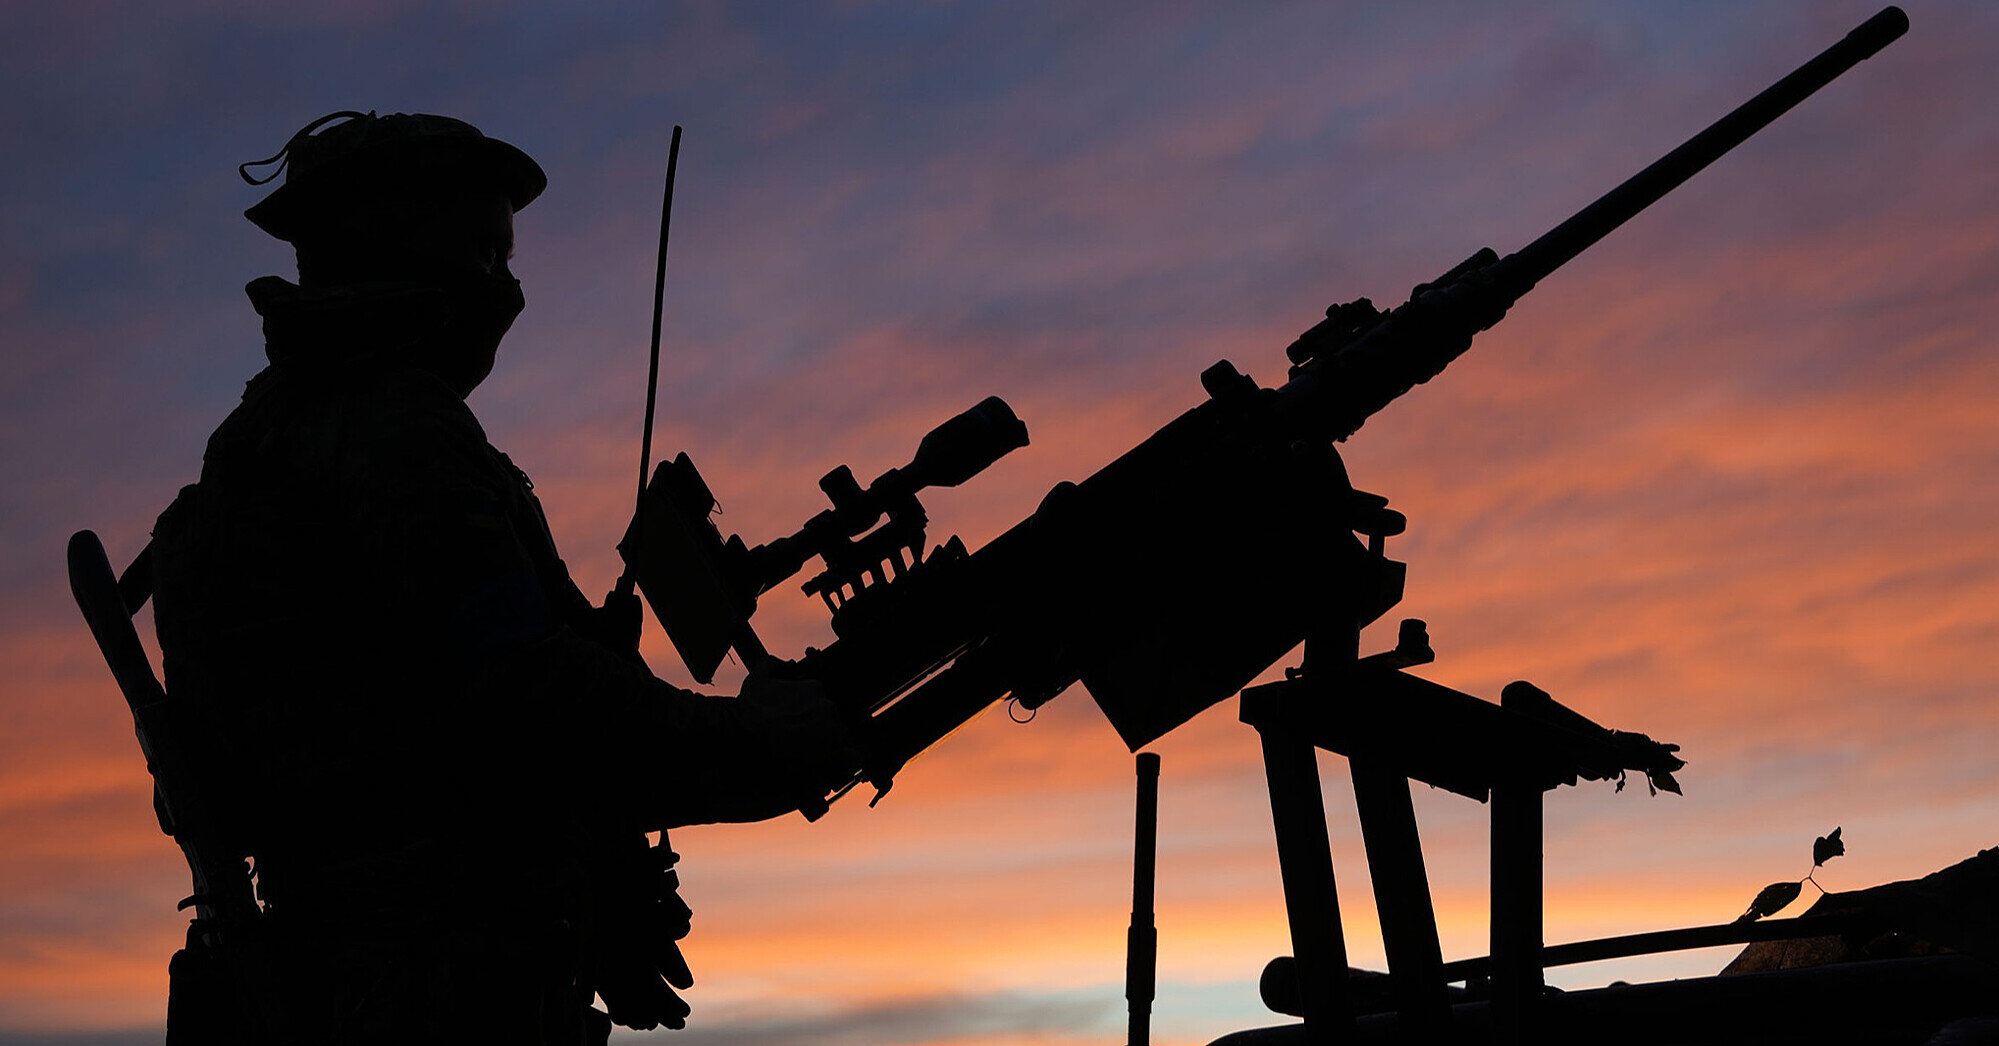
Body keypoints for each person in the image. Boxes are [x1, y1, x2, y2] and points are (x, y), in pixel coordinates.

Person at [148, 111, 857, 1045]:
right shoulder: (396, 435)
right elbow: (534, 700)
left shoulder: (261, 437)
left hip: (349, 974)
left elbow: (438, 721)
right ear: (393, 250)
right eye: (482, 253)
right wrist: (758, 738)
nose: (505, 290)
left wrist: (589, 881)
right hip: (423, 997)